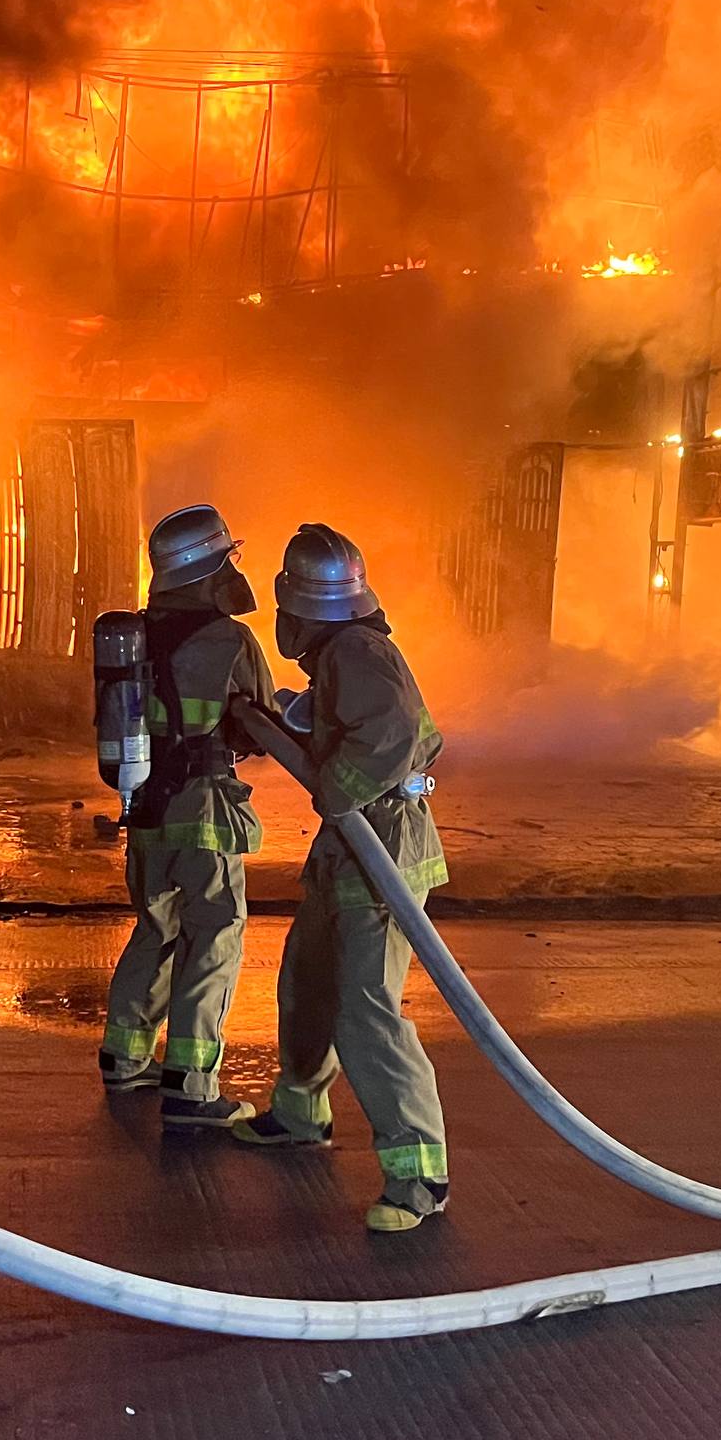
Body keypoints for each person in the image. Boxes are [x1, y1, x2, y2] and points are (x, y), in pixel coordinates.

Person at [232, 524, 452, 1232]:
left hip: (383, 850)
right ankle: (300, 1113)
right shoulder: (341, 654)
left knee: (365, 1009)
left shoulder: (356, 652)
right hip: (349, 848)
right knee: (309, 981)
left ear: (297, 608)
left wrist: (335, 788)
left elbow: (389, 735)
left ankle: (419, 1175)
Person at [100, 504, 275, 1131]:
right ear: (208, 568)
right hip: (204, 811)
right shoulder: (230, 640)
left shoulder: (134, 639)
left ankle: (125, 1057)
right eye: (227, 559)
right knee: (214, 938)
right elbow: (260, 724)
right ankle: (191, 1087)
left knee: (155, 929)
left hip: (145, 806)